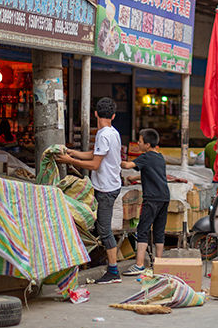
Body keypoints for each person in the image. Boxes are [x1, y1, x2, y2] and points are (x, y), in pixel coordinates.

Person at [58, 98, 123, 284]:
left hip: (106, 189)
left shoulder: (103, 135)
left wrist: (70, 161)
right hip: (109, 185)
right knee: (96, 226)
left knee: (104, 229)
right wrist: (73, 153)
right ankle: (96, 261)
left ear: (95, 114)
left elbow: (94, 164)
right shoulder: (112, 133)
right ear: (113, 116)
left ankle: (113, 271)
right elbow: (96, 154)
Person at [120, 129, 169, 276]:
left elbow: (127, 166)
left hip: (152, 199)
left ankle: (139, 264)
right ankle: (159, 263)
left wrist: (113, 159)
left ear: (147, 144)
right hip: (164, 197)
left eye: (140, 141)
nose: (138, 144)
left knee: (143, 230)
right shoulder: (160, 157)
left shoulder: (145, 157)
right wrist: (134, 178)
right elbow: (152, 174)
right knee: (159, 231)